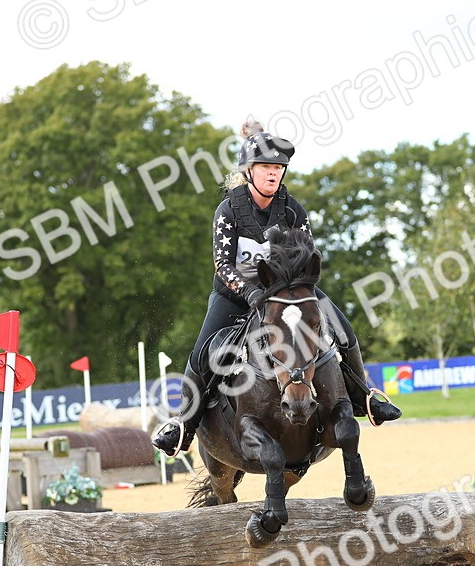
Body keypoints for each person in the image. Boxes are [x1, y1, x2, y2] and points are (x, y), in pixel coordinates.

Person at [152, 119, 401, 456]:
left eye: (278, 168)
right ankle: (184, 425)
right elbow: (222, 265)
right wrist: (253, 293)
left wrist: (293, 288)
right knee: (202, 353)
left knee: (343, 329)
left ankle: (366, 397)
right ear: (248, 172)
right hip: (236, 294)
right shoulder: (228, 211)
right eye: (266, 167)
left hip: (288, 294)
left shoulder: (292, 210)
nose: (273, 173)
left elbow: (308, 256)